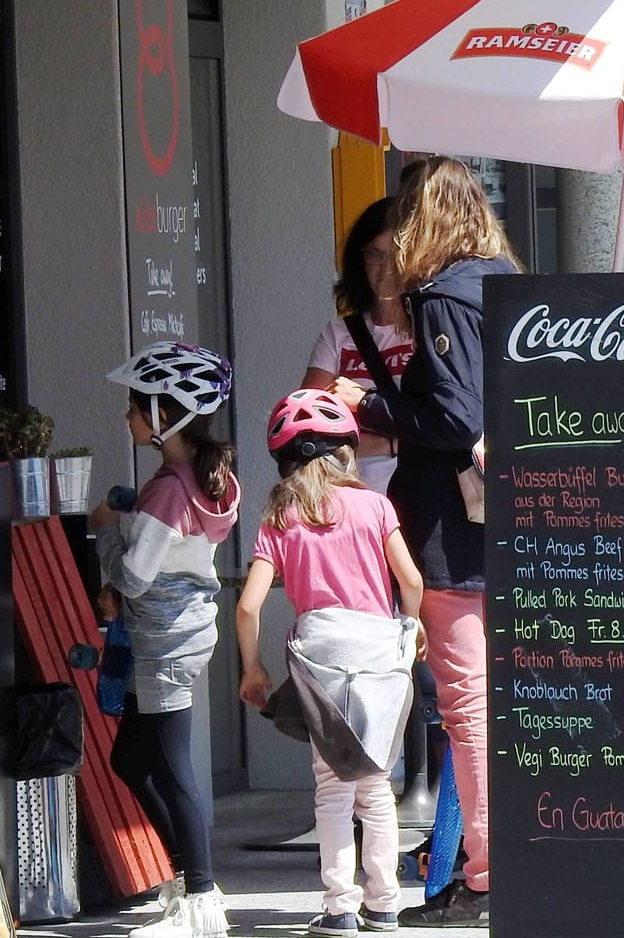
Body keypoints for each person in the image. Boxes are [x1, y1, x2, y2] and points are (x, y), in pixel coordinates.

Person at [338, 156, 518, 928]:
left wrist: (369, 405)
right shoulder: (505, 284)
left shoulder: (443, 297)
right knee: (504, 703)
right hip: (524, 525)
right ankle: (503, 860)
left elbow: (452, 417)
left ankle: (486, 873)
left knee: (469, 707)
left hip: (451, 529)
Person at [238, 389, 425, 936]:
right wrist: (412, 629)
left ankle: (340, 905)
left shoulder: (280, 514)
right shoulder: (375, 506)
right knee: (376, 787)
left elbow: (248, 605)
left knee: (333, 788)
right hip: (376, 653)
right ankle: (385, 903)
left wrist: (253, 668)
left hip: (320, 655)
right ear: (347, 451)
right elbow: (410, 581)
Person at [93, 342, 241, 938]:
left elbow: (132, 575)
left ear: (164, 415)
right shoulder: (205, 478)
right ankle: (188, 882)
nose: (128, 416)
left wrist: (104, 532)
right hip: (179, 633)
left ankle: (202, 902)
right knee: (129, 758)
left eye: (135, 406)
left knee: (175, 765)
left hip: (165, 641)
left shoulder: (165, 489)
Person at [302, 197, 414, 494]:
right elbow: (306, 426)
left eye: (395, 256)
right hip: (350, 503)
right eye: (375, 255)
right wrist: (396, 439)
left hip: (422, 504)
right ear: (359, 259)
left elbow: (448, 423)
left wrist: (370, 437)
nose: (385, 269)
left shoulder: (431, 332)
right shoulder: (339, 333)